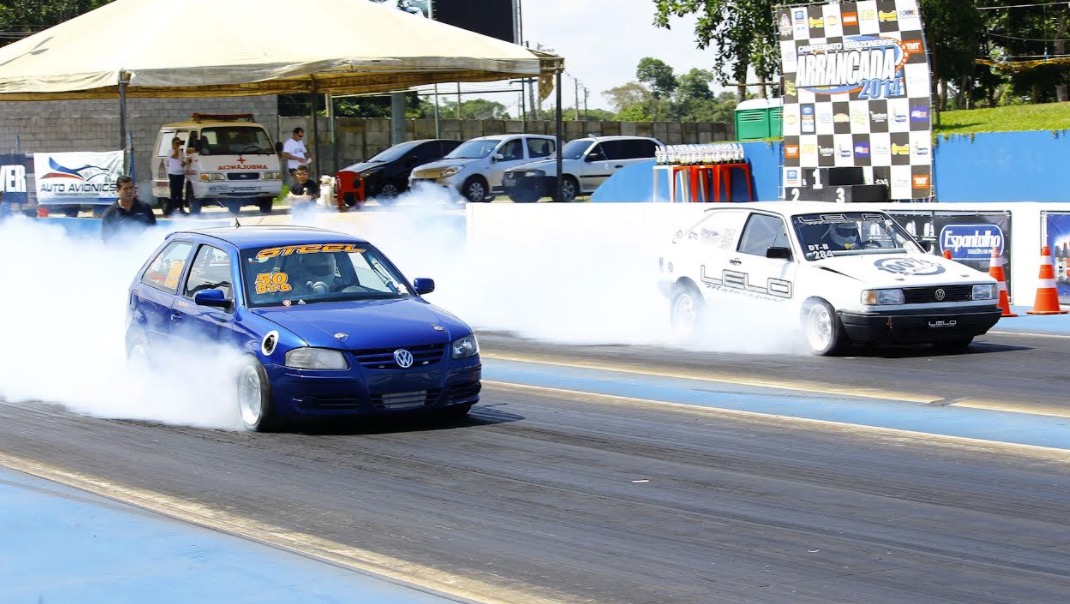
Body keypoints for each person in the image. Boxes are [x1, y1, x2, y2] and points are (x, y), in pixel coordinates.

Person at [101, 176, 157, 241]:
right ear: (118, 191)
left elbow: (154, 231)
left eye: (131, 188)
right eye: (125, 189)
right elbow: (106, 239)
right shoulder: (110, 213)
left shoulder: (145, 208)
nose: (129, 191)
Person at [165, 137, 188, 215]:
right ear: (173, 144)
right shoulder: (170, 152)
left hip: (180, 173)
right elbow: (175, 156)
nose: (178, 145)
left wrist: (184, 163)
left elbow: (181, 161)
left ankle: (181, 208)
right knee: (174, 192)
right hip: (173, 174)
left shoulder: (181, 152)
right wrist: (176, 149)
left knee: (180, 192)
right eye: (176, 143)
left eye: (179, 143)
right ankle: (174, 208)